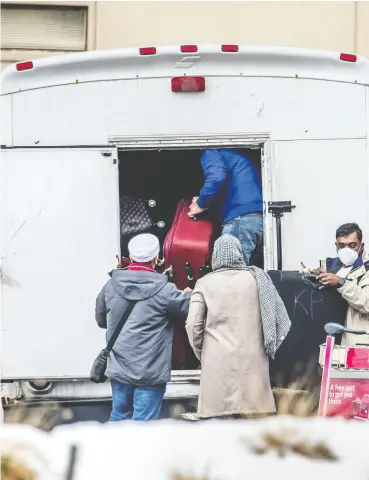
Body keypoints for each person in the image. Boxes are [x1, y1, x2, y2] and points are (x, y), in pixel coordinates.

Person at [185, 234, 291, 419]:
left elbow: (193, 324)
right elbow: (278, 319)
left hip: (217, 364)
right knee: (253, 435)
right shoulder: (258, 279)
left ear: (214, 255)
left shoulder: (204, 283)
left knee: (220, 432)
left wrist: (202, 352)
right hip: (253, 361)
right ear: (239, 253)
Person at [95, 233, 192, 421]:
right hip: (149, 372)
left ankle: (112, 451)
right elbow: (188, 312)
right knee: (144, 427)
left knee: (118, 418)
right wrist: (189, 294)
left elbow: (101, 320)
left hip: (119, 369)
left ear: (130, 258)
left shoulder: (110, 285)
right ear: (156, 259)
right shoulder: (166, 290)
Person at [315, 223, 369, 347]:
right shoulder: (332, 268)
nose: (346, 250)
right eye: (341, 245)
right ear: (336, 246)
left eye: (352, 245)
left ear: (361, 246)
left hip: (362, 343)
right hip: (334, 340)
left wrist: (340, 282)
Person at [188, 149, 263, 266]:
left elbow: (216, 179)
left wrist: (201, 203)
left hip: (240, 219)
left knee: (229, 271)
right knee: (250, 274)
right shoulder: (237, 157)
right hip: (258, 220)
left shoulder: (211, 152)